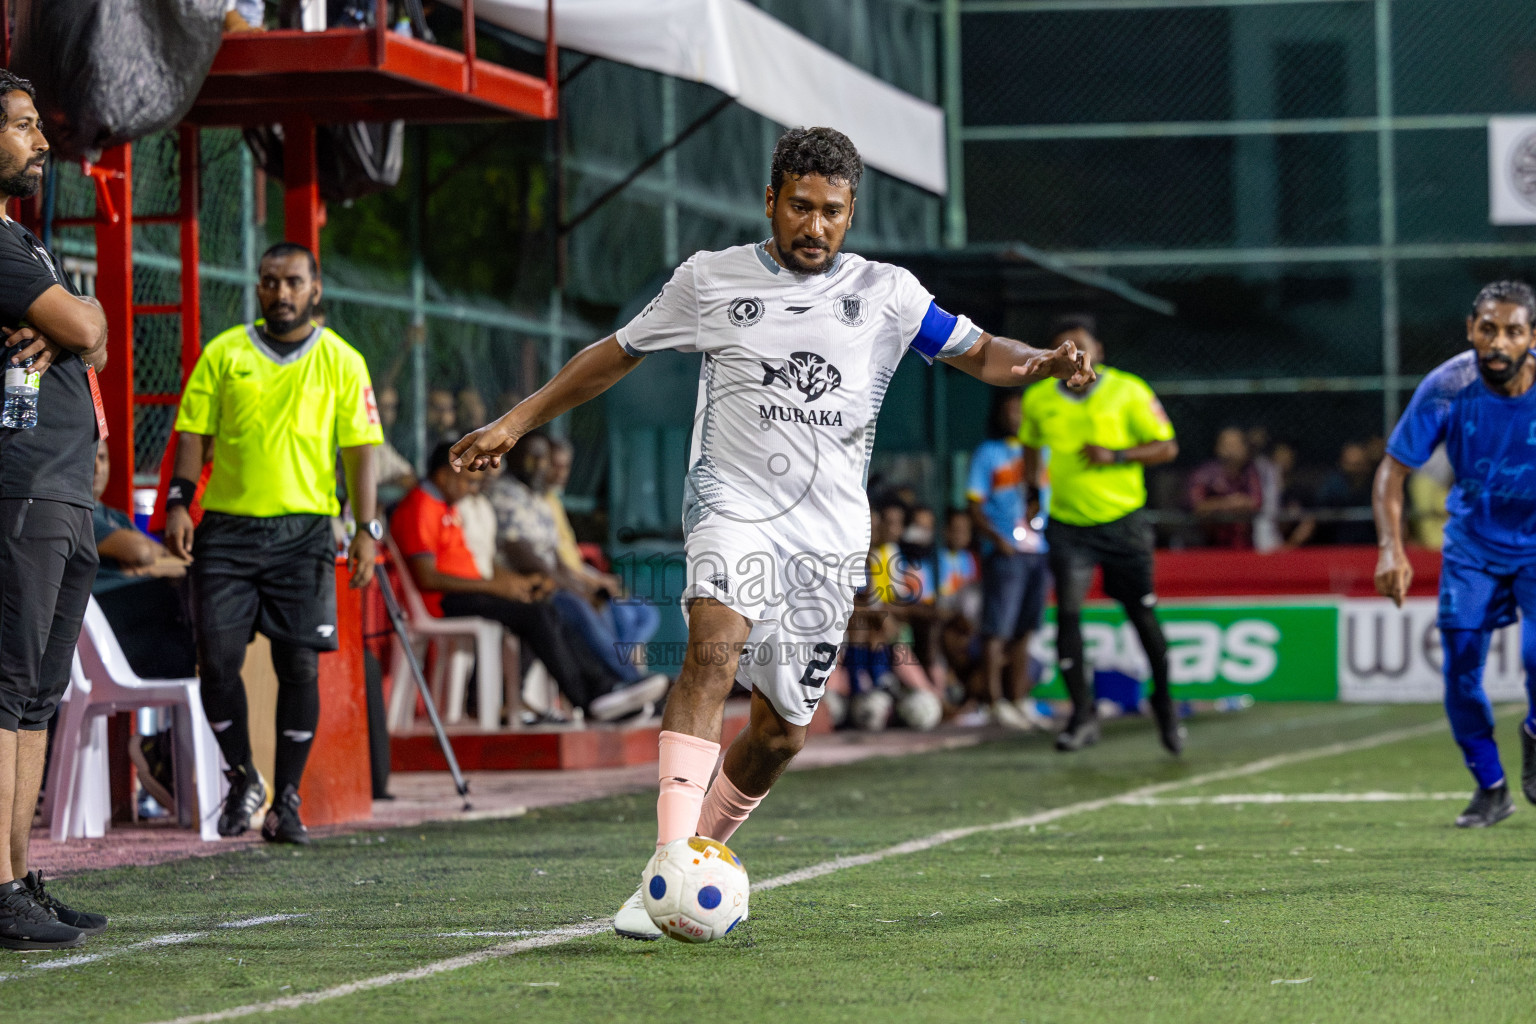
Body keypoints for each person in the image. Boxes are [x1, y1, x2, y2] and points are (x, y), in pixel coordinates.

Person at [449, 126, 1094, 940]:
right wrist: (515, 421)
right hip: (733, 506)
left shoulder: (888, 294)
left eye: (830, 212)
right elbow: (616, 354)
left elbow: (982, 354)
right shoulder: (710, 280)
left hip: (828, 542)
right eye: (799, 207)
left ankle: (693, 861)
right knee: (712, 647)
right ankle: (668, 860)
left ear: (851, 211)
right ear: (770, 201)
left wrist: (1044, 360)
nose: (814, 227)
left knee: (781, 734)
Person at [164, 242, 383, 846]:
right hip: (227, 532)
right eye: (268, 282)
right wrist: (180, 501)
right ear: (257, 288)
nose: (279, 293)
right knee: (218, 661)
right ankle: (243, 777)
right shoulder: (224, 353)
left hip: (305, 533)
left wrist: (367, 531)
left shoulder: (342, 360)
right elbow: (192, 435)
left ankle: (286, 800)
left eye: (291, 282)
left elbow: (362, 452)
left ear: (315, 288)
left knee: (299, 664)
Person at [0, 71, 111, 950]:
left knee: (37, 697)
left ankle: (20, 875)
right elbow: (82, 334)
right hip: (24, 487)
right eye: (24, 126)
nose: (41, 142)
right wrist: (82, 319)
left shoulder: (24, 242)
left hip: (65, 489)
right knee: (5, 691)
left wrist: (87, 313)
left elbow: (94, 328)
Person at [1374, 280, 1536, 829]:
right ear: (1471, 330)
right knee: (1462, 667)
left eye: (1513, 331)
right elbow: (1392, 472)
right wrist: (1391, 548)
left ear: (1530, 337)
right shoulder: (1447, 385)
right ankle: (1490, 786)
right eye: (1487, 328)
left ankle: (1535, 732)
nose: (1498, 341)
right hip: (1472, 545)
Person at [390, 442, 668, 721]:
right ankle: (591, 698)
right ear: (443, 476)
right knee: (537, 613)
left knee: (545, 605)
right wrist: (497, 587)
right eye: (468, 481)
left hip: (467, 591)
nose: (472, 489)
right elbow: (428, 577)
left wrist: (514, 583)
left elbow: (476, 567)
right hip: (443, 601)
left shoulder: (446, 505)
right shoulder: (420, 507)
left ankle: (602, 689)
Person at [1019, 314, 1181, 754]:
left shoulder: (1129, 390)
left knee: (1141, 613)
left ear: (1099, 351)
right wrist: (1032, 491)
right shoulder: (1037, 400)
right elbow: (1031, 444)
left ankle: (1164, 703)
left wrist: (1117, 455)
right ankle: (1082, 715)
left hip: (1123, 522)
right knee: (1068, 615)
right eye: (1062, 348)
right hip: (1069, 525)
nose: (1072, 355)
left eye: (1080, 346)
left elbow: (1167, 446)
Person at [966, 388, 1045, 729]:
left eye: (1022, 412)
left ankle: (1019, 698)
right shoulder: (988, 453)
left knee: (1025, 630)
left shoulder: (1041, 454)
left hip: (1038, 550)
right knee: (997, 629)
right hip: (1005, 553)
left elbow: (1042, 500)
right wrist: (998, 541)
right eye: (1011, 412)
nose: (1016, 418)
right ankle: (994, 702)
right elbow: (974, 504)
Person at [1186, 426, 1262, 549]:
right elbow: (1197, 506)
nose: (1231, 450)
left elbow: (1256, 503)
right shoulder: (1204, 473)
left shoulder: (1250, 472)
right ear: (1218, 447)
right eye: (1227, 445)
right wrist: (1231, 502)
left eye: (1236, 444)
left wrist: (1216, 505)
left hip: (1244, 546)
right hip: (1209, 547)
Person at [1317, 441, 1377, 544]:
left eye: (1358, 464)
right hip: (1338, 546)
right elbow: (1314, 518)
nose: (1354, 470)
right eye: (1350, 464)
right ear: (1342, 464)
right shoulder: (1334, 486)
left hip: (1371, 546)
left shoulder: (1376, 486)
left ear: (1367, 465)